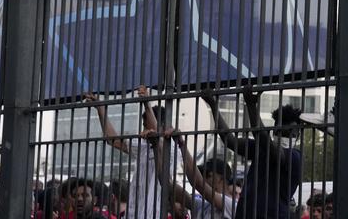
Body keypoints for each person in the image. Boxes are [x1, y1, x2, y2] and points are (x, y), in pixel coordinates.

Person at [201, 88, 302, 218]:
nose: (284, 137)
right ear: (274, 132)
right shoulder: (260, 148)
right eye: (280, 132)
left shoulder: (295, 157)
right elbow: (230, 141)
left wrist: (251, 106)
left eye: (290, 134)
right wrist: (213, 105)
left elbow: (264, 139)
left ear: (297, 137)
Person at [85, 85, 178, 219]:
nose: (144, 129)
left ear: (162, 125)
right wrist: (100, 109)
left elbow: (159, 141)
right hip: (133, 212)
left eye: (145, 125)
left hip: (154, 213)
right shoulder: (144, 145)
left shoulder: (172, 147)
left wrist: (147, 104)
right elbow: (113, 140)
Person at [140, 127, 235, 219]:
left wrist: (181, 143)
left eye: (208, 175)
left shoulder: (231, 205)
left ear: (221, 179)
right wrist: (156, 145)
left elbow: (198, 183)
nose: (204, 179)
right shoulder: (202, 206)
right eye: (202, 175)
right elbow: (167, 184)